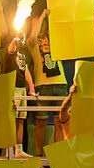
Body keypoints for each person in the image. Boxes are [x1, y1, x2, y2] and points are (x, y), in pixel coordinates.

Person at [26, 8, 67, 154]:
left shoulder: (54, 38)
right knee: (41, 122)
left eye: (42, 23)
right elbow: (33, 36)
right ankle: (39, 155)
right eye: (37, 23)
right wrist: (42, 15)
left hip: (60, 83)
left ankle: (58, 154)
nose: (40, 25)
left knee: (59, 122)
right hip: (42, 85)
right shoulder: (32, 42)